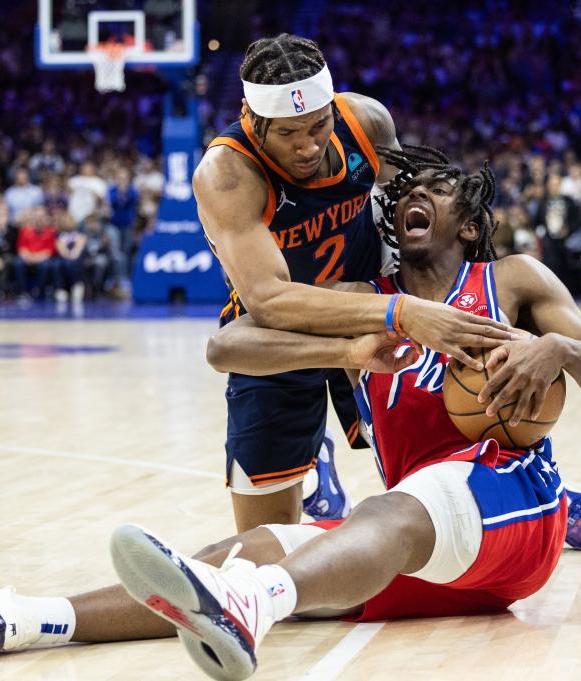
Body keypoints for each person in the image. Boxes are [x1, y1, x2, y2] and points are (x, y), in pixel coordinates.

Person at [0, 155, 581, 677]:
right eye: (403, 185)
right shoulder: (367, 298)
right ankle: (20, 618)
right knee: (249, 546)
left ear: (468, 225)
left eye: (435, 188)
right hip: (418, 554)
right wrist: (353, 338)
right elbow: (228, 345)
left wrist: (556, 351)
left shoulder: (509, 279)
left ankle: (252, 603)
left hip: (517, 519)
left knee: (382, 512)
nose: (412, 192)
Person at [192, 33, 516, 533]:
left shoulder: (363, 123)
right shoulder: (228, 173)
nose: (307, 145)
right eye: (286, 133)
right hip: (284, 327)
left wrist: (442, 287)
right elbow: (271, 300)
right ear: (250, 117)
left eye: (319, 125)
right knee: (263, 543)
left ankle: (540, 481)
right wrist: (402, 313)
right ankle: (314, 458)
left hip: (367, 288)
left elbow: (421, 203)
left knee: (463, 413)